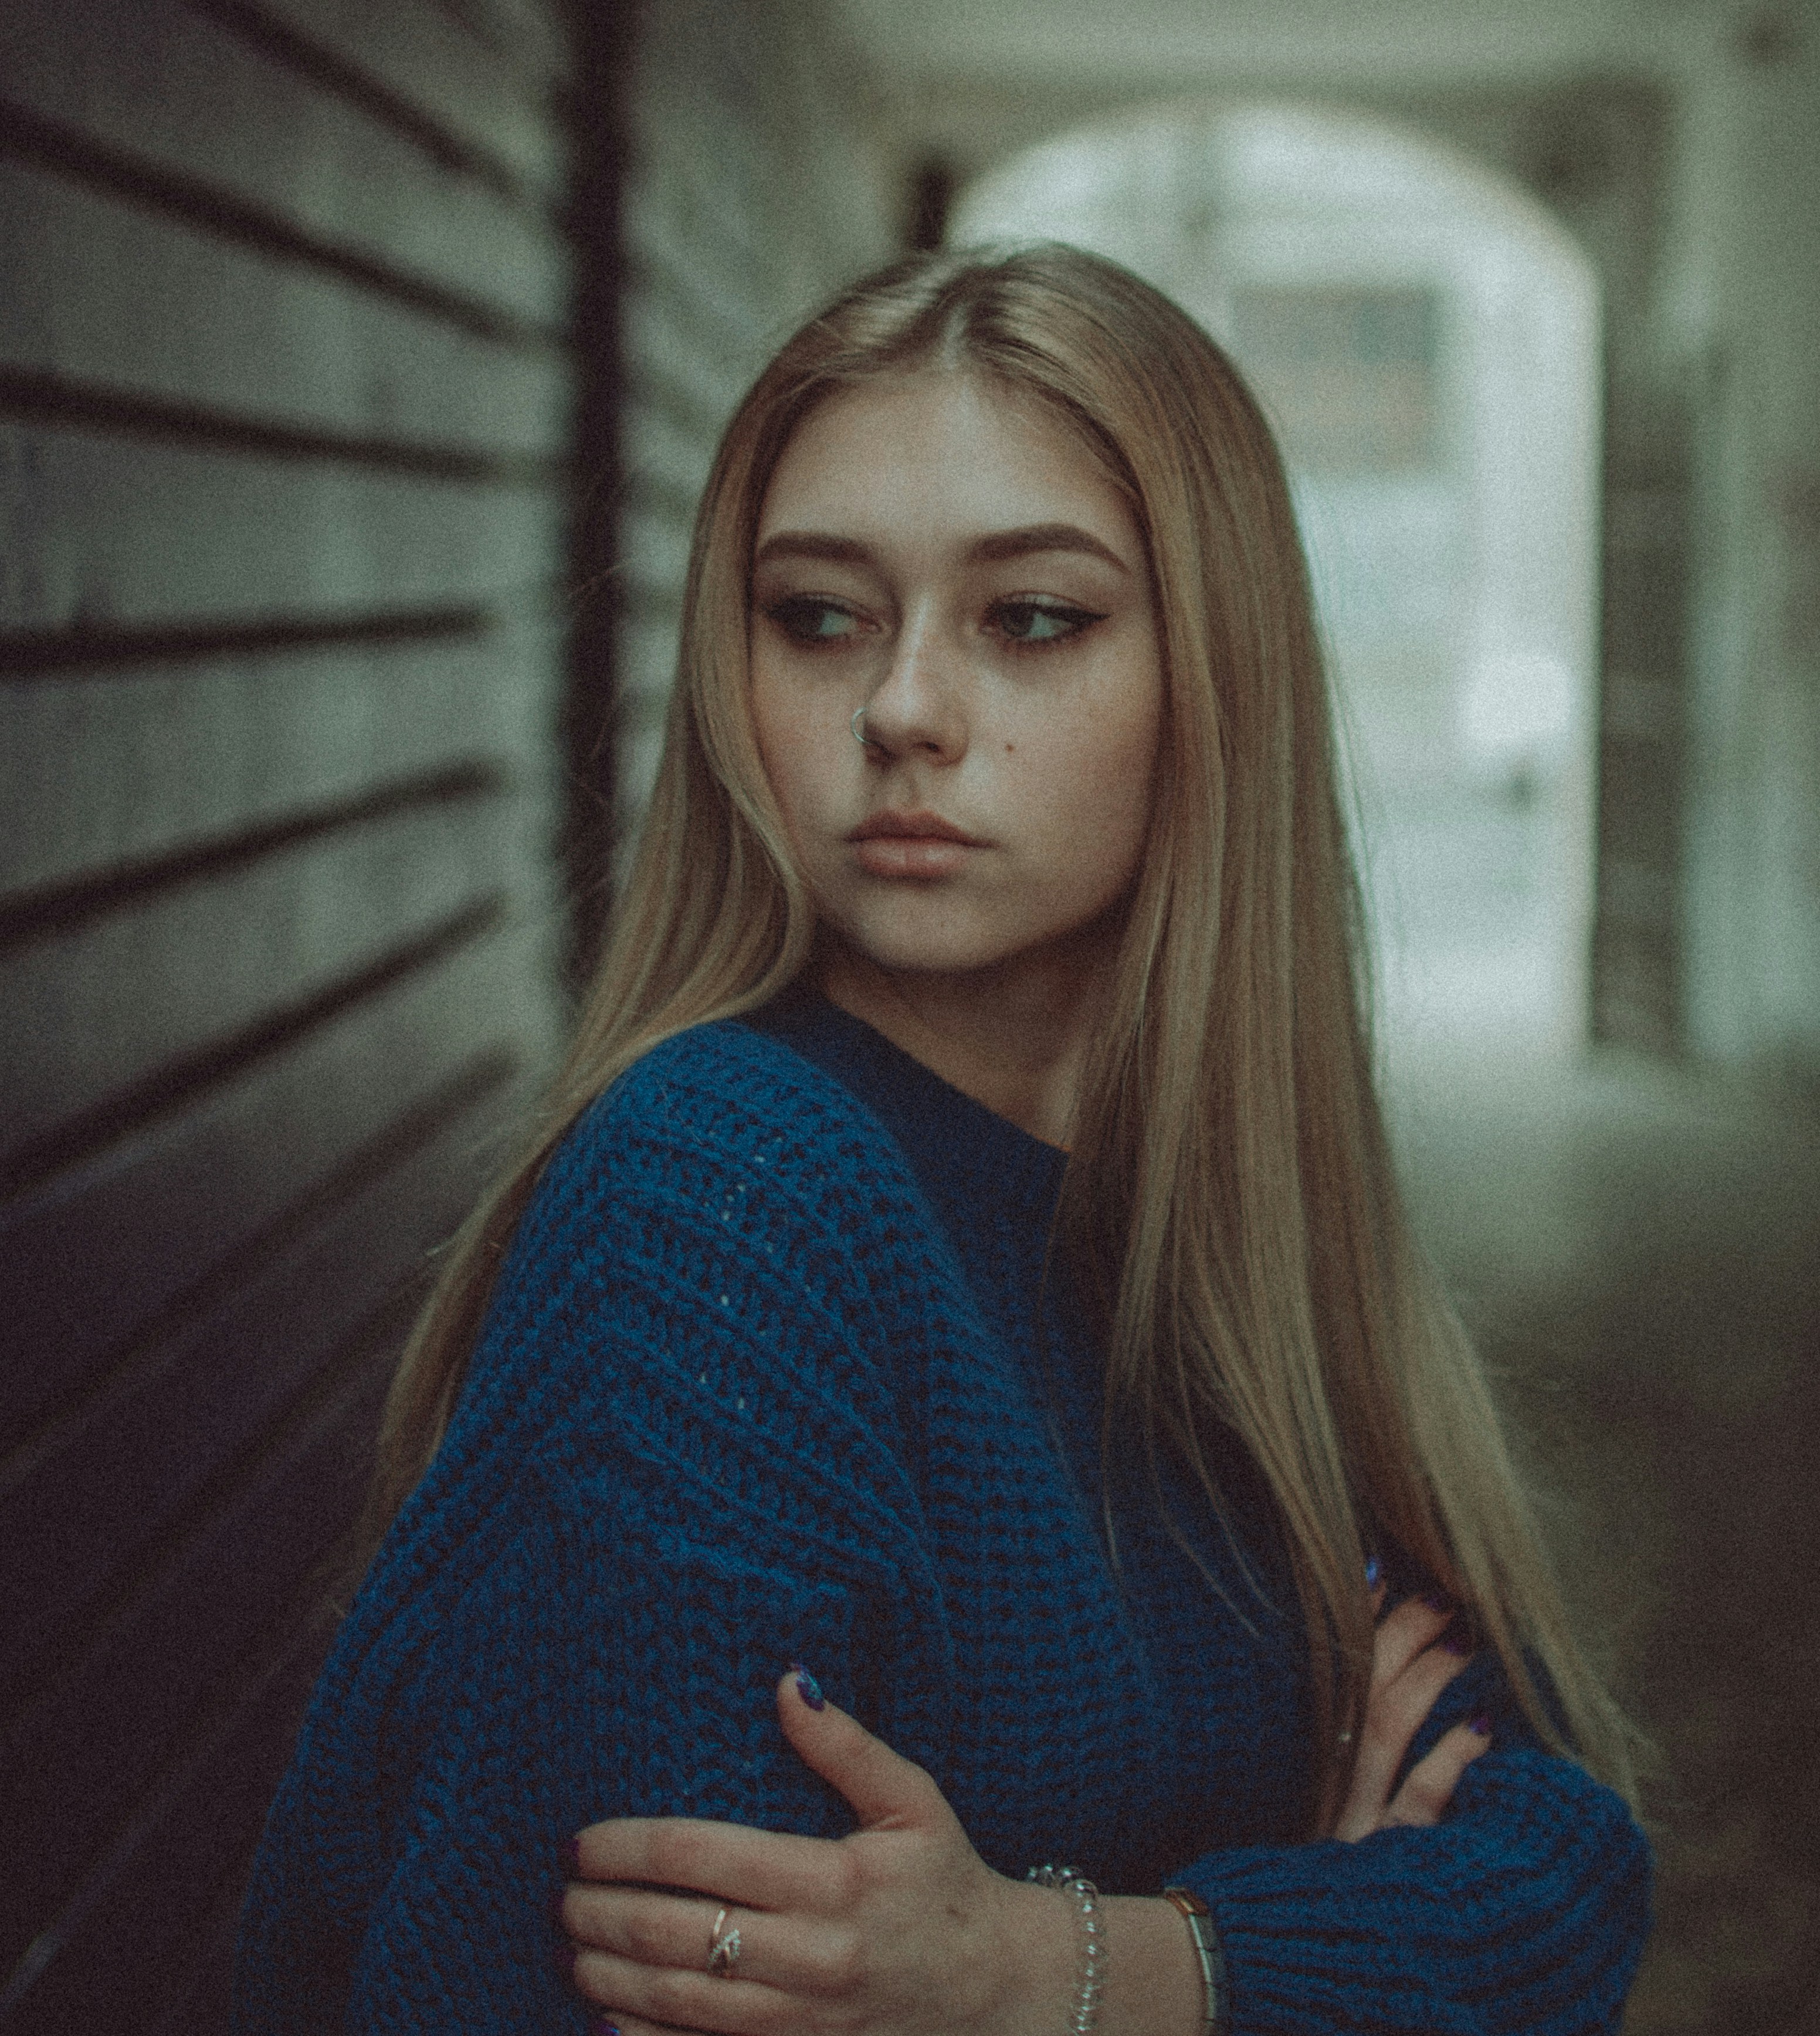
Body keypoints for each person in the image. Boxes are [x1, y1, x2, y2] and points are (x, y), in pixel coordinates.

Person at [234, 245, 1651, 2036]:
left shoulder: (1218, 1244)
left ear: (1217, 679)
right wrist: (1322, 1916)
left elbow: (1562, 1882)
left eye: (1031, 618)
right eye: (818, 616)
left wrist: (1071, 1968)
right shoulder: (725, 1194)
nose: (902, 708)